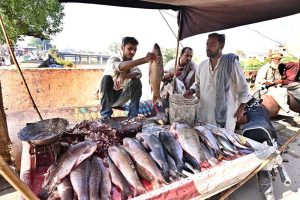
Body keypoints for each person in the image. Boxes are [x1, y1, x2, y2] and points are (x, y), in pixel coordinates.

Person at [184, 33, 249, 131]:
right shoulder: (202, 65)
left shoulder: (231, 64)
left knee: (223, 145)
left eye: (212, 45)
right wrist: (192, 90)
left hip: (226, 116)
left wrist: (241, 109)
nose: (208, 48)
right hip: (203, 115)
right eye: (207, 44)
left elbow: (243, 87)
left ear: (221, 46)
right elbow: (197, 83)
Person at [100, 36, 156, 119]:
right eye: (129, 49)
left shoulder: (131, 62)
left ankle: (132, 117)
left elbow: (138, 73)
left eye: (135, 50)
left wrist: (124, 76)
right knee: (106, 78)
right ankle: (105, 116)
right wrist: (144, 60)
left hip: (119, 99)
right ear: (122, 47)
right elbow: (120, 66)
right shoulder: (114, 59)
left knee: (136, 81)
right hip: (107, 98)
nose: (132, 52)